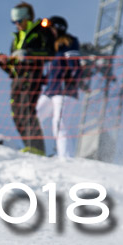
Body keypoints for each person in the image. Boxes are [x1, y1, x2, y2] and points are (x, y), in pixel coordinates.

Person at [0, 2, 55, 155]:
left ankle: (36, 147)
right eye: (14, 22)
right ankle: (30, 146)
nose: (17, 25)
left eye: (19, 21)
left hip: (32, 76)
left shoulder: (40, 31)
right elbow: (13, 69)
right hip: (17, 80)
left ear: (28, 18)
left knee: (26, 109)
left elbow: (50, 53)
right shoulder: (16, 38)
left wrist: (28, 53)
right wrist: (5, 63)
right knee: (16, 112)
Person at [36, 16, 82, 158]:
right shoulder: (52, 50)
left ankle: (66, 157)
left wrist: (73, 80)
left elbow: (75, 66)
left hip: (64, 91)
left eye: (51, 28)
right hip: (50, 91)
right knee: (34, 117)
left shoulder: (68, 43)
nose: (50, 32)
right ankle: (36, 149)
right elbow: (51, 73)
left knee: (59, 123)